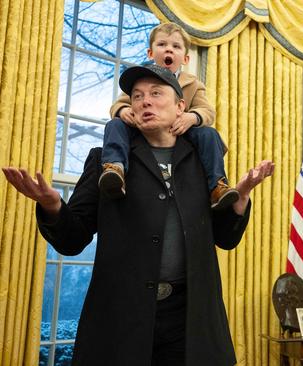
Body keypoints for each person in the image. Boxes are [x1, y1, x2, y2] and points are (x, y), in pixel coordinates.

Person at [2, 64, 274, 366]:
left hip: (190, 324)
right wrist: (53, 206)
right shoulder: (106, 160)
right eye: (137, 95)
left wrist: (243, 195)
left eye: (156, 94)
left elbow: (226, 238)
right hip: (119, 323)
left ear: (181, 106)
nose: (145, 101)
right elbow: (72, 239)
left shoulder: (202, 163)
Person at [101, 22, 238, 211]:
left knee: (209, 134)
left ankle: (217, 185)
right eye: (162, 44)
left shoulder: (193, 83)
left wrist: (192, 117)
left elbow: (207, 111)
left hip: (180, 131)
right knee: (115, 125)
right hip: (144, 130)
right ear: (150, 53)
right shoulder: (141, 81)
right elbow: (119, 104)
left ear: (186, 58)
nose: (169, 50)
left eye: (176, 46)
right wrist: (123, 111)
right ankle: (114, 168)